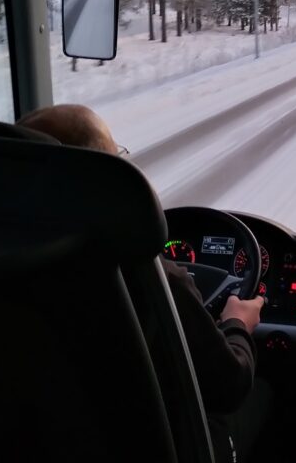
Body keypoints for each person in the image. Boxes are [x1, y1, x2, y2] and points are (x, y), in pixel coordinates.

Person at [16, 104, 268, 463]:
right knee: (267, 393)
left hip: (44, 440)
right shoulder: (148, 275)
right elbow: (230, 386)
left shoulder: (1, 270)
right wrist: (238, 324)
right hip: (150, 445)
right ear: (105, 176)